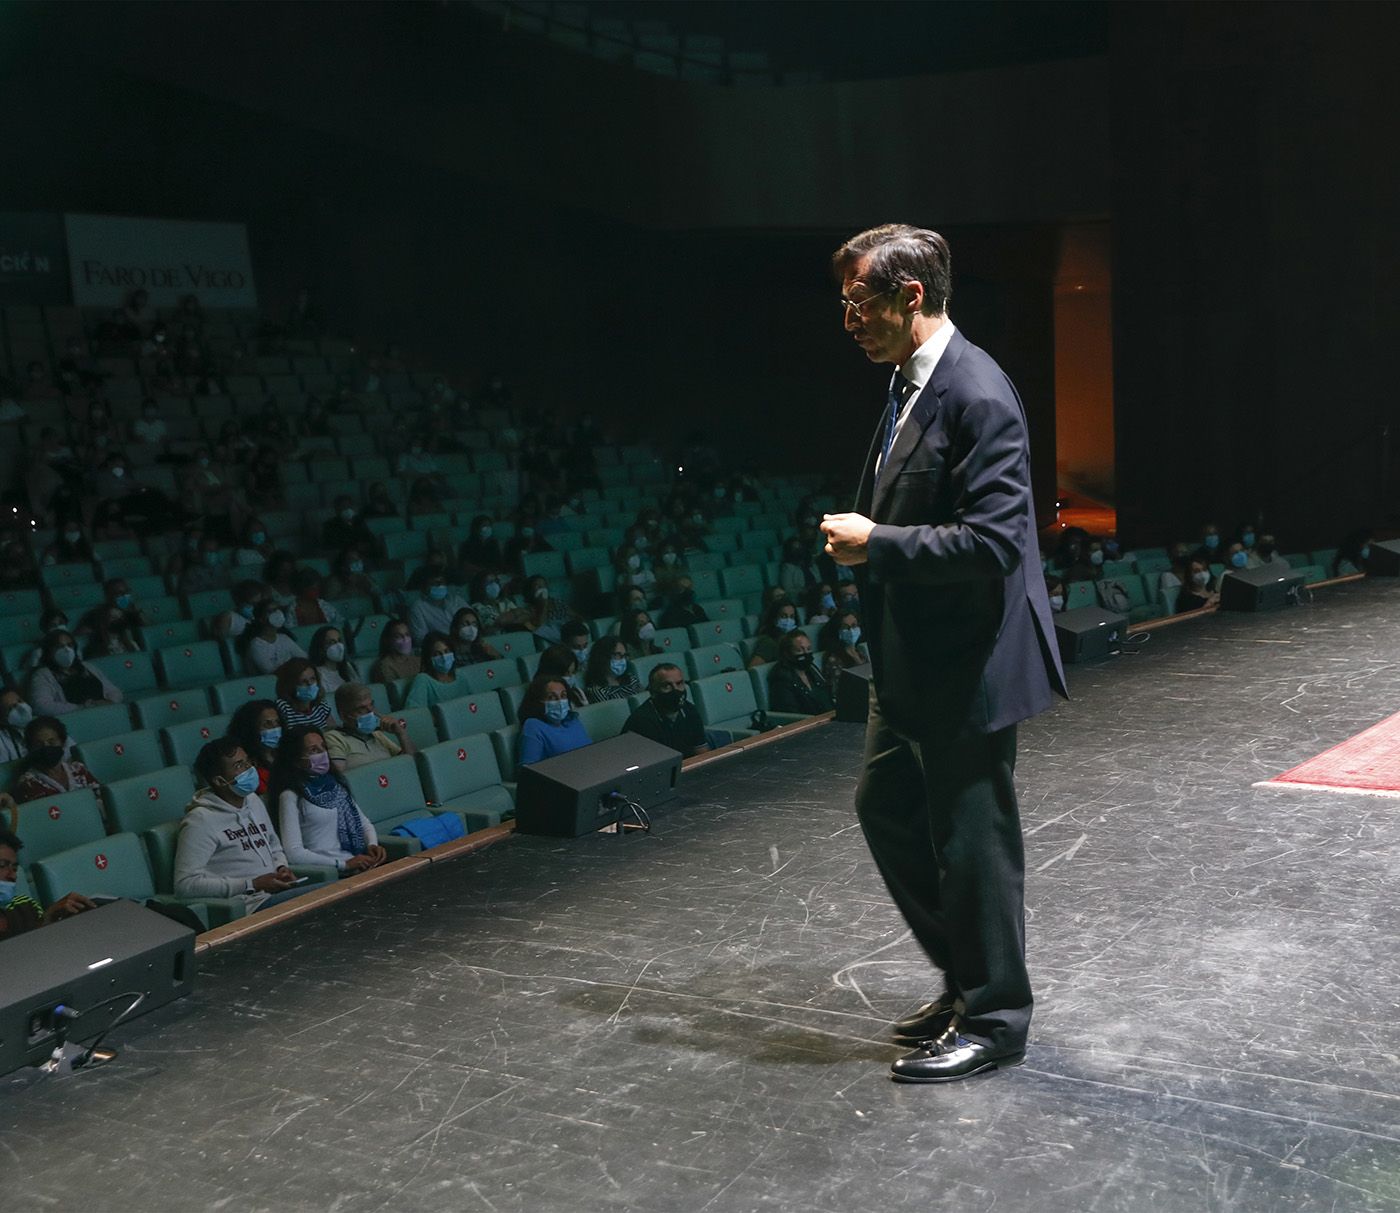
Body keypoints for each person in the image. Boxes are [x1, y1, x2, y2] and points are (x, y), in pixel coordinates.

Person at [822, 224, 1067, 1082]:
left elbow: (997, 542)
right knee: (885, 805)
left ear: (909, 296)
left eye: (858, 303)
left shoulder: (977, 392)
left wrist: (876, 541)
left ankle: (996, 1017)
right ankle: (969, 978)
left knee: (973, 840)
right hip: (912, 657)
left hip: (967, 662)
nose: (847, 319)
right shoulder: (905, 382)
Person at [175, 738, 302, 913]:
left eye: (248, 761)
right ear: (220, 781)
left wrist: (281, 868)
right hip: (249, 906)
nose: (250, 769)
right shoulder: (200, 821)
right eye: (239, 766)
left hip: (276, 894)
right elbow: (185, 885)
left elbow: (273, 845)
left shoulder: (253, 800)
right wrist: (251, 884)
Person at [274, 727, 387, 874]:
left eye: (323, 747)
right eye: (313, 750)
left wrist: (372, 844)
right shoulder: (290, 796)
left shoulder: (335, 785)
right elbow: (294, 853)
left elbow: (364, 823)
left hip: (358, 863)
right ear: (296, 760)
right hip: (328, 871)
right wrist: (343, 864)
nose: (322, 753)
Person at [0, 815, 95, 940]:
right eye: (2, 865)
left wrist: (47, 920)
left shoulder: (26, 906)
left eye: (14, 868)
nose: (12, 875)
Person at [622, 664, 711, 759]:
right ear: (653, 692)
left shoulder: (690, 710)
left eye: (679, 684)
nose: (675, 690)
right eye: (667, 686)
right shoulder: (641, 722)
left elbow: (701, 752)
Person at [27, 630, 123, 715]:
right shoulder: (42, 674)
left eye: (69, 645)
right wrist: (81, 708)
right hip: (77, 718)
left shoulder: (87, 666)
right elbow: (41, 706)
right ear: (49, 651)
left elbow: (114, 691)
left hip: (105, 713)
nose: (66, 650)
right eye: (59, 646)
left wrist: (109, 702)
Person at [326, 683, 415, 771]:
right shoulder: (334, 738)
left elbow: (412, 764)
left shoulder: (377, 734)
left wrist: (401, 733)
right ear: (344, 716)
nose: (370, 712)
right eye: (362, 708)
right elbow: (340, 778)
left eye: (371, 705)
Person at [12, 716, 102, 803]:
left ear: (62, 743)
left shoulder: (78, 769)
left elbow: (101, 797)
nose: (46, 747)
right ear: (30, 748)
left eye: (52, 742)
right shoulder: (28, 783)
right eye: (39, 745)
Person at [517, 674, 591, 766]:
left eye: (563, 696)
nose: (560, 701)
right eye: (552, 697)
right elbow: (527, 771)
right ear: (538, 701)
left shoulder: (572, 719)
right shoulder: (533, 726)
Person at [768, 631, 834, 715]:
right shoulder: (781, 677)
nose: (806, 654)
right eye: (799, 650)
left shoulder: (812, 669)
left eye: (809, 649)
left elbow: (826, 698)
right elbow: (790, 712)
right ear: (787, 654)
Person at [226, 699, 283, 796]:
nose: (275, 728)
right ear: (251, 729)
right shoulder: (245, 765)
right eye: (267, 724)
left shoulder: (287, 754)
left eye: (277, 722)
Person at [241, 599, 307, 675]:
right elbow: (270, 672)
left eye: (277, 610)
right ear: (261, 619)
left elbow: (304, 658)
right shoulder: (256, 644)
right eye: (270, 611)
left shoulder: (284, 638)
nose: (277, 613)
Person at [402, 632, 465, 707]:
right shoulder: (423, 680)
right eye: (437, 654)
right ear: (429, 658)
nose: (444, 657)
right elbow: (413, 711)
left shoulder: (460, 675)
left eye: (446, 651)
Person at [407, 570, 469, 645]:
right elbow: (420, 638)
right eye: (434, 583)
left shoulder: (455, 600)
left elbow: (473, 618)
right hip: (441, 648)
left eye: (442, 582)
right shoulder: (418, 607)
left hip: (466, 642)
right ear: (423, 588)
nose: (439, 586)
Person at [274, 658, 333, 732]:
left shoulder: (321, 705)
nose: (310, 684)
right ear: (291, 685)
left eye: (313, 679)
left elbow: (333, 733)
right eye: (303, 681)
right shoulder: (283, 707)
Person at [584, 636, 642, 703]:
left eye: (625, 655)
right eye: (617, 655)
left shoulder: (631, 679)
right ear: (603, 657)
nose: (623, 660)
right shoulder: (598, 691)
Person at [746, 597, 800, 668]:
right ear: (774, 618)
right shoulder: (768, 642)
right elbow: (753, 669)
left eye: (792, 617)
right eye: (784, 616)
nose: (788, 620)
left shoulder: (795, 639)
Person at [308, 625, 360, 696]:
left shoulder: (348, 667)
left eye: (339, 641)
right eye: (332, 642)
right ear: (321, 648)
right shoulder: (317, 674)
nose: (338, 646)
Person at [369, 619, 420, 685]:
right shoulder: (384, 667)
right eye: (398, 636)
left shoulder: (418, 660)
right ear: (388, 640)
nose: (405, 639)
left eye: (407, 635)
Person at [536, 644, 587, 709]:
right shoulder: (541, 700)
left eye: (573, 672)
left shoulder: (577, 693)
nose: (571, 677)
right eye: (566, 674)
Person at [818, 610, 865, 677]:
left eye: (854, 625)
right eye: (845, 627)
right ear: (838, 631)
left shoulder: (860, 652)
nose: (851, 630)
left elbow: (870, 679)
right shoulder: (833, 660)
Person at [0, 686, 32, 762]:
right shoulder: (2, 743)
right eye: (11, 707)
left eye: (20, 701)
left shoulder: (46, 726)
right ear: (3, 719)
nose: (21, 707)